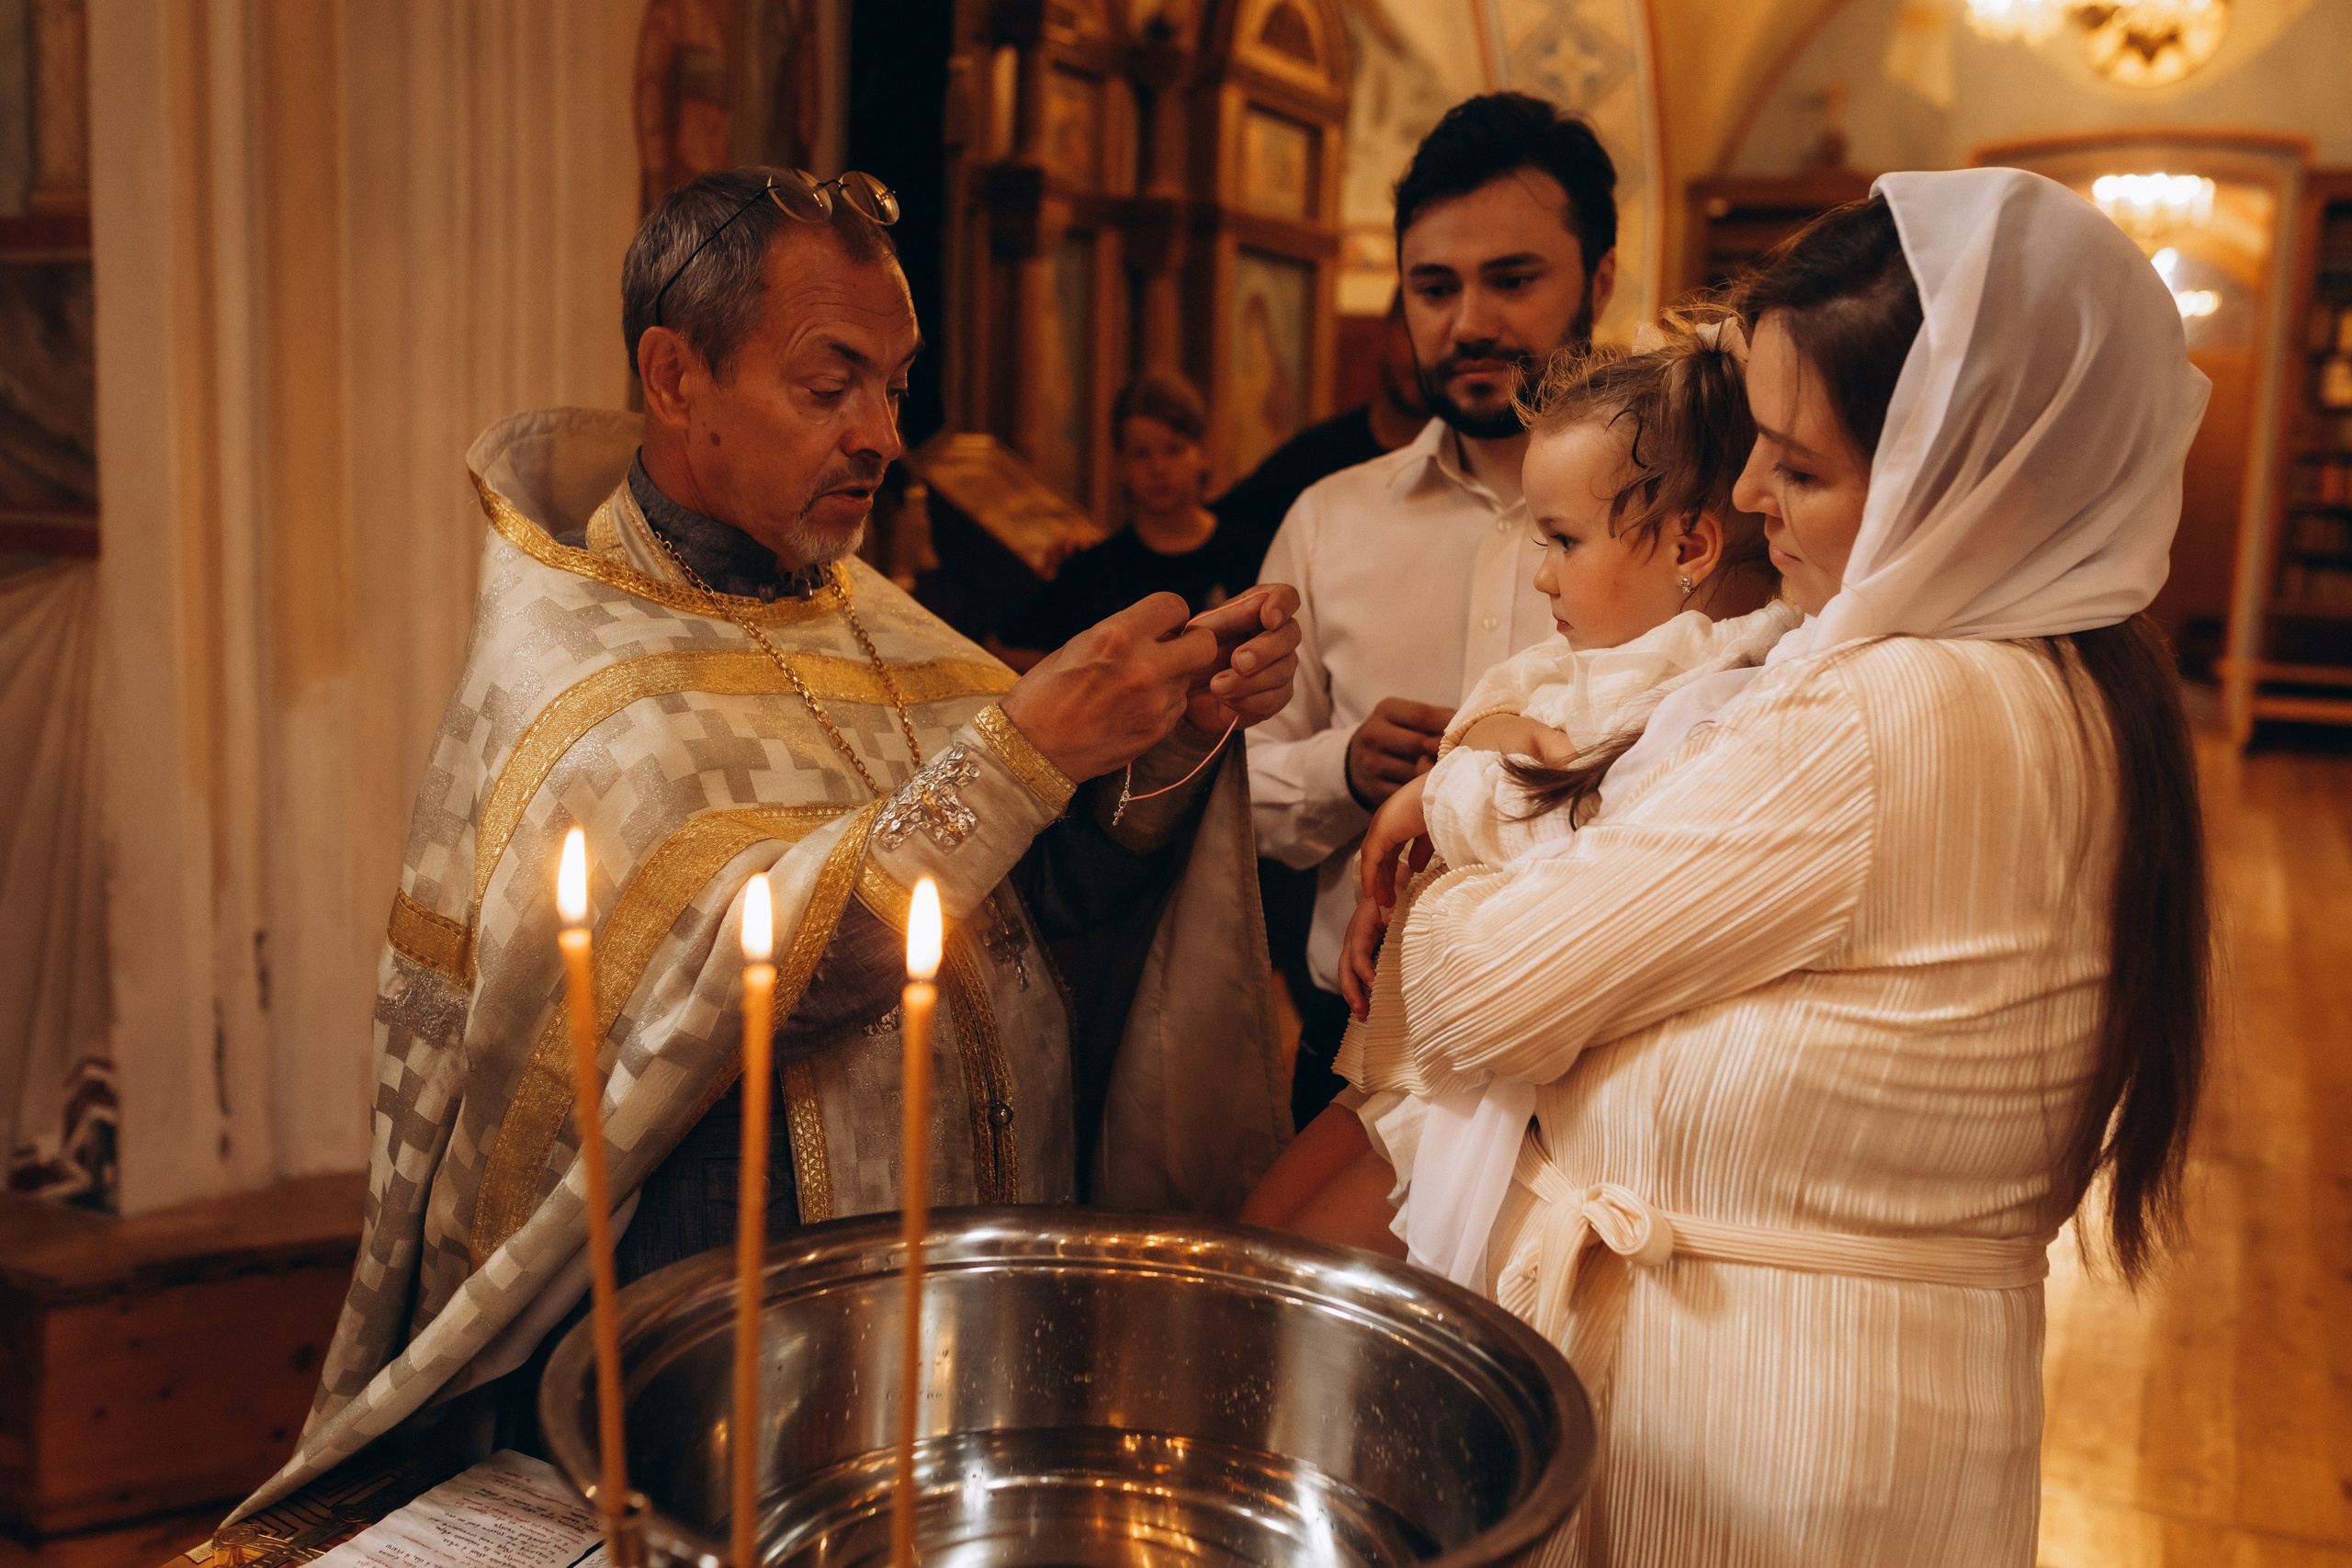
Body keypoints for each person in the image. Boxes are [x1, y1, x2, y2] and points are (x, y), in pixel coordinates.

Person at [236, 166, 1305, 1516]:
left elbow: (1048, 905)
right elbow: (759, 982)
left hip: (966, 1313)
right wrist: (1026, 751)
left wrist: (1160, 746)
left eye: (897, 386)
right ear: (676, 379)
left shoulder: (886, 622)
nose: (881, 435)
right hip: (722, 1335)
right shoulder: (573, 669)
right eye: (830, 384)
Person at [1322, 170, 2213, 1564]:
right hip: (1847, 1414)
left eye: (1800, 467)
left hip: (1770, 1444)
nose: (1743, 497)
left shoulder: (1896, 709)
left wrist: (1456, 866)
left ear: (1957, 469)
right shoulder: (2066, 673)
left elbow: (1478, 993)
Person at [1239, 308, 1794, 1250]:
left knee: (1293, 1280)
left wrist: (1434, 794)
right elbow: (1495, 737)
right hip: (1420, 1058)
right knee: (1253, 1235)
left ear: (1690, 548)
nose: (1542, 578)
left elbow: (1537, 818)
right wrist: (1460, 776)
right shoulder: (1599, 664)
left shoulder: (1712, 686)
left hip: (1510, 1097)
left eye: (1564, 542)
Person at [1250, 91, 1618, 1133]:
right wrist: (1341, 770)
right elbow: (1230, 786)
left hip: (1593, 1059)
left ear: (1595, 280)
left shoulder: (1681, 521)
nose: (1468, 324)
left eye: (1511, 280)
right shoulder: (1329, 521)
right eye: (1433, 286)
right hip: (1353, 1040)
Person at [997, 373, 1264, 668]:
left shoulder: (1248, 554)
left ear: (1203, 451)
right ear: (1120, 464)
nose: (1158, 468)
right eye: (1141, 454)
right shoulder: (1094, 568)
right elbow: (1001, 646)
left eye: (1174, 449)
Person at [1211, 288, 1429, 556]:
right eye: (1413, 335)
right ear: (1381, 335)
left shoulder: (1476, 458)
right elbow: (1227, 523)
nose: (1423, 358)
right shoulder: (1318, 452)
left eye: (1436, 340)